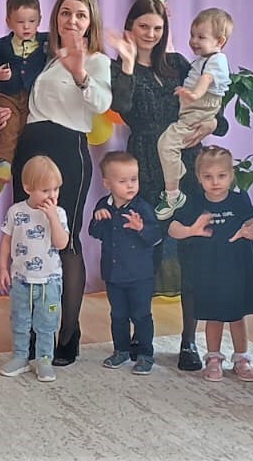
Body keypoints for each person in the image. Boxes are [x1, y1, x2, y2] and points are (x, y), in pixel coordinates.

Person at [104, 0, 223, 373]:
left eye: (157, 28)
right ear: (131, 28)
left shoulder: (180, 64)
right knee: (142, 260)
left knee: (190, 258)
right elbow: (121, 107)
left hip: (186, 169)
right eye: (143, 26)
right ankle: (140, 341)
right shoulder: (117, 67)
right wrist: (127, 62)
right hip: (142, 172)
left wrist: (212, 123)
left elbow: (215, 110)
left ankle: (189, 341)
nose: (151, 34)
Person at [0, 0, 112, 366]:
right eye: (65, 13)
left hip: (68, 150)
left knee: (65, 239)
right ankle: (31, 332)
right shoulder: (43, 56)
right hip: (30, 147)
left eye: (80, 14)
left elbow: (102, 103)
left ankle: (68, 333)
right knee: (27, 236)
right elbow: (18, 98)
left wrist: (79, 73)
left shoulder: (97, 61)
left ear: (90, 21)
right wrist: (2, 114)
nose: (71, 20)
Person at [167, 147, 253, 383]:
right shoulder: (194, 203)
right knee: (214, 317)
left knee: (237, 316)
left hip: (237, 269)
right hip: (209, 270)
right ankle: (213, 357)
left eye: (221, 176)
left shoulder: (240, 200)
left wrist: (251, 229)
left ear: (231, 175)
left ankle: (241, 358)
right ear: (199, 178)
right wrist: (190, 230)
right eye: (208, 176)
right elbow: (172, 228)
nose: (215, 182)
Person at [88, 152, 164, 375]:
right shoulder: (104, 205)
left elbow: (156, 237)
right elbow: (94, 233)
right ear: (107, 184)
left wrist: (141, 228)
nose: (130, 185)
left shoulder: (142, 208)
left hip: (140, 276)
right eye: (123, 181)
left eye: (134, 179)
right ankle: (121, 350)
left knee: (141, 315)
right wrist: (98, 219)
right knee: (118, 315)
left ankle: (145, 354)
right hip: (113, 275)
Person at [154, 8, 233, 221]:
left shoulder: (215, 60)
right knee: (168, 145)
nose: (194, 41)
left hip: (198, 108)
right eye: (192, 35)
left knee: (166, 144)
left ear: (220, 41)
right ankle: (174, 183)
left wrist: (194, 95)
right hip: (193, 109)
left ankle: (173, 193)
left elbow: (206, 81)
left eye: (201, 37)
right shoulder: (200, 61)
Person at [0, 157, 70, 382]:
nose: (52, 195)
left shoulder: (59, 213)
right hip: (21, 280)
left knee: (46, 323)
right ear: (28, 188)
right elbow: (6, 241)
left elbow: (62, 243)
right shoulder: (16, 211)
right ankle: (20, 356)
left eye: (56, 189)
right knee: (20, 321)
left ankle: (44, 360)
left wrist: (52, 218)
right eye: (45, 190)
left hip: (50, 281)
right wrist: (2, 268)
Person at [0, 0, 48, 202]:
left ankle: (30, 176)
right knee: (9, 127)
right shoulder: (1, 45)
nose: (26, 27)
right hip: (6, 95)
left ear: (40, 20)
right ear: (8, 22)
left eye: (32, 21)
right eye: (20, 22)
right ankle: (4, 165)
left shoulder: (47, 42)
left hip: (31, 98)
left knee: (26, 130)